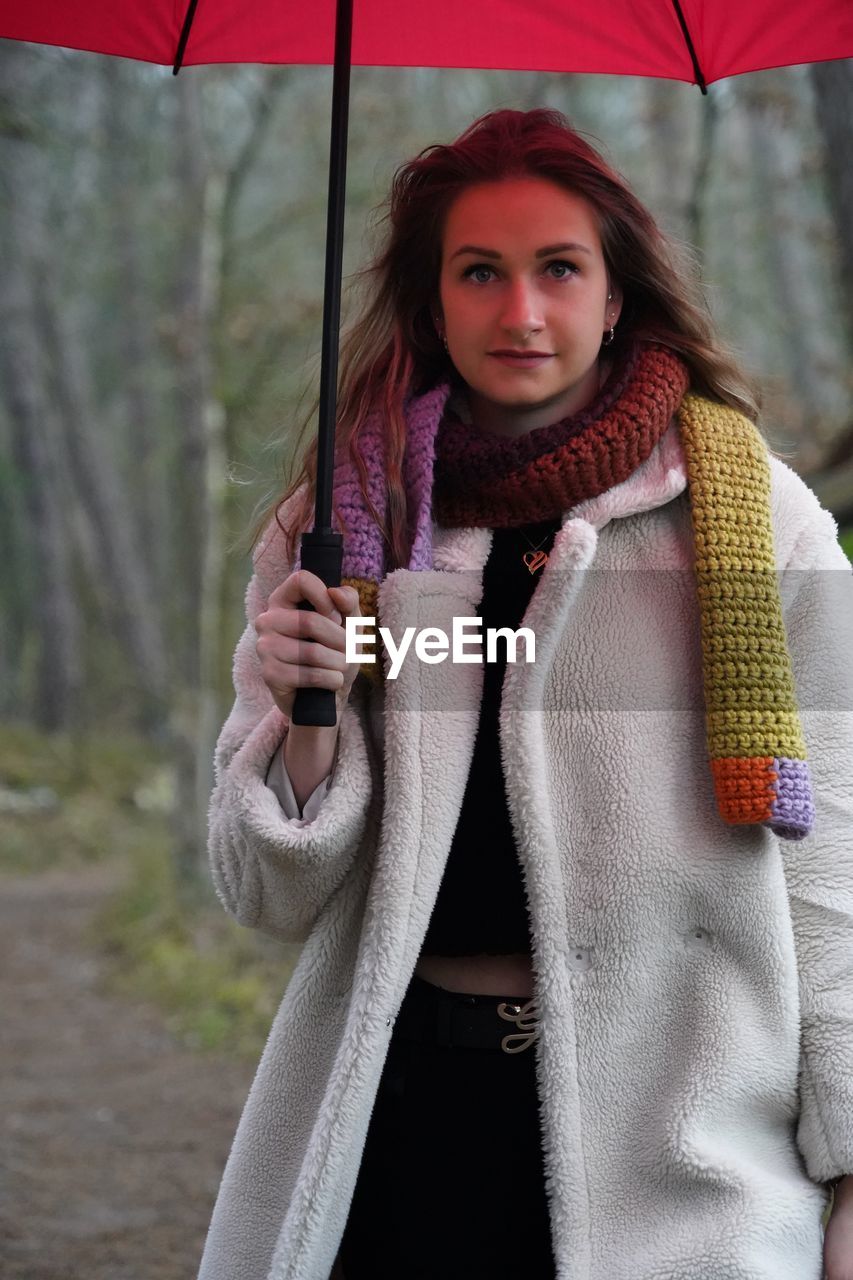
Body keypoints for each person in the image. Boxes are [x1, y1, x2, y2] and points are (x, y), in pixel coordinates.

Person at [197, 109, 853, 1280]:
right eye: (479, 272)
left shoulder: (753, 518)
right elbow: (270, 891)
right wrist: (306, 717)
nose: (521, 312)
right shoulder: (343, 527)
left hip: (681, 1149)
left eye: (558, 268)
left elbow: (837, 855)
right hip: (395, 1133)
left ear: (614, 296)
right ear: (433, 300)